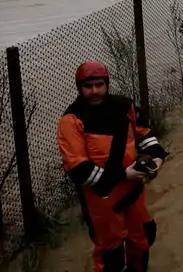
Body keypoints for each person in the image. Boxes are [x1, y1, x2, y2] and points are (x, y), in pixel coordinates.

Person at [57, 61, 168, 272]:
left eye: (99, 85)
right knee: (111, 254)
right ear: (79, 88)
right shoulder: (71, 120)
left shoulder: (124, 106)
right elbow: (78, 168)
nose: (94, 91)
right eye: (88, 87)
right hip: (101, 200)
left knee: (143, 237)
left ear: (107, 84)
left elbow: (144, 135)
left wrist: (157, 158)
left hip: (133, 190)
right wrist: (123, 174)